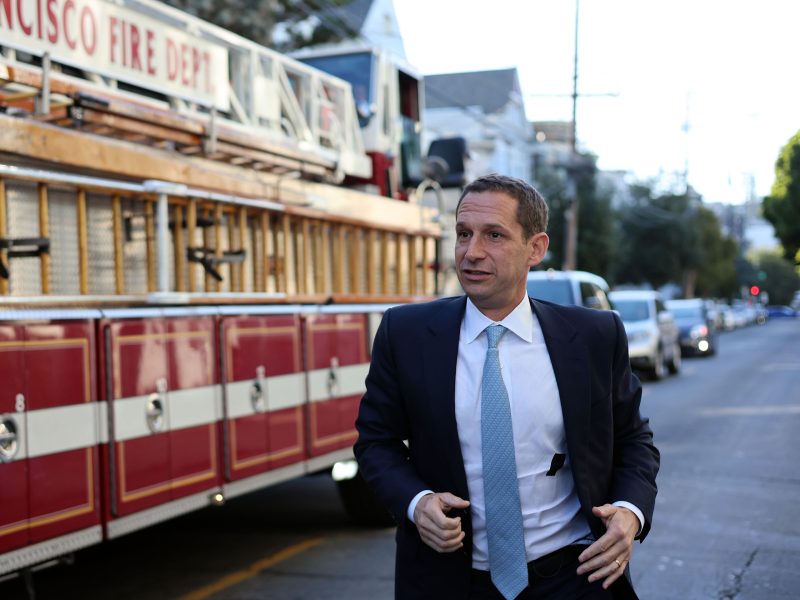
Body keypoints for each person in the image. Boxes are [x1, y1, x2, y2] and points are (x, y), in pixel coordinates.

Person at [354, 173, 659, 600]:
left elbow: (634, 440)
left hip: (575, 578)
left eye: (493, 235)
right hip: (448, 582)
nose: (472, 252)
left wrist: (629, 513)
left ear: (536, 248)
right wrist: (416, 501)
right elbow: (375, 441)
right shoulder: (405, 334)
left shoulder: (593, 336)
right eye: (463, 234)